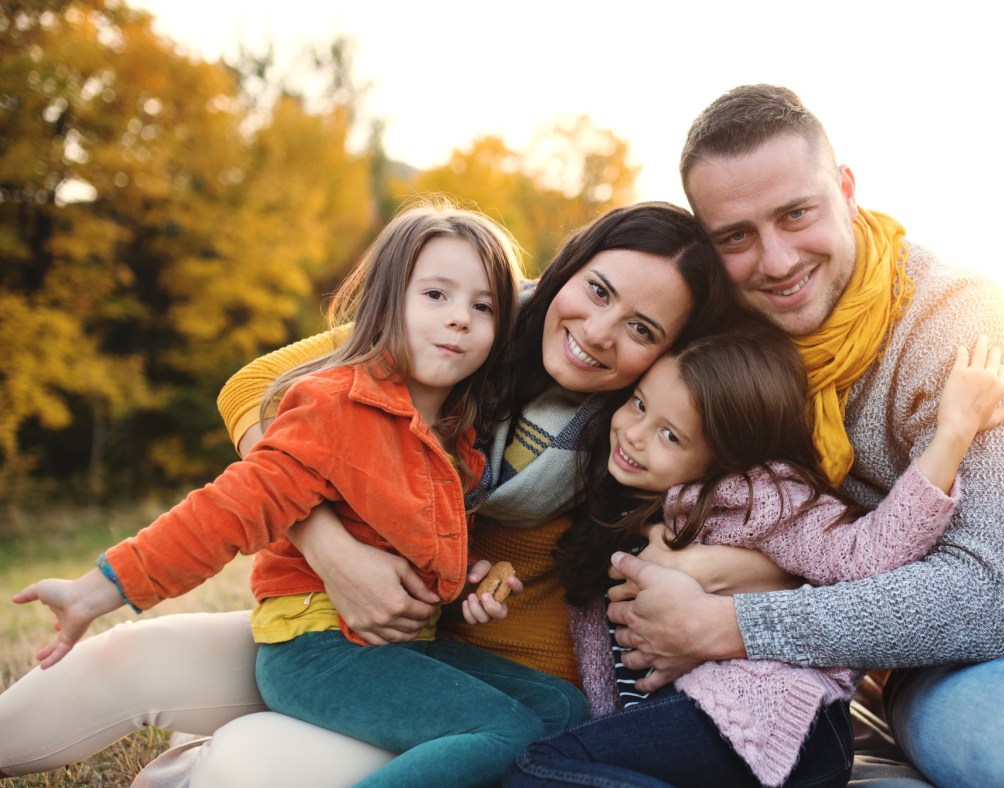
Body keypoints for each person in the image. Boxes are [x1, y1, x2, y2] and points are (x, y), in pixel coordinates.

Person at [0, 201, 742, 785]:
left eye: (641, 328)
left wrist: (472, 578)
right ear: (567, 269)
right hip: (335, 631)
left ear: (666, 355)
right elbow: (256, 396)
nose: (601, 331)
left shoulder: (644, 433)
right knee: (124, 664)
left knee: (248, 761)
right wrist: (332, 548)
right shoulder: (451, 333)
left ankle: (192, 769)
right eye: (597, 290)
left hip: (457, 659)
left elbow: (769, 525)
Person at [605, 84, 1004, 786]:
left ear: (846, 190)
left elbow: (981, 593)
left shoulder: (946, 306)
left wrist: (736, 621)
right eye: (736, 235)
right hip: (930, 665)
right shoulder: (716, 353)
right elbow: (589, 333)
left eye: (797, 214)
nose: (775, 260)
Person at [506, 322, 1004, 788]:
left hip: (780, 723)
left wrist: (952, 433)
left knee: (539, 771)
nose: (634, 435)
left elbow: (869, 555)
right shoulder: (615, 504)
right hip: (695, 728)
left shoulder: (757, 496)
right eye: (639, 403)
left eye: (670, 435)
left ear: (722, 457)